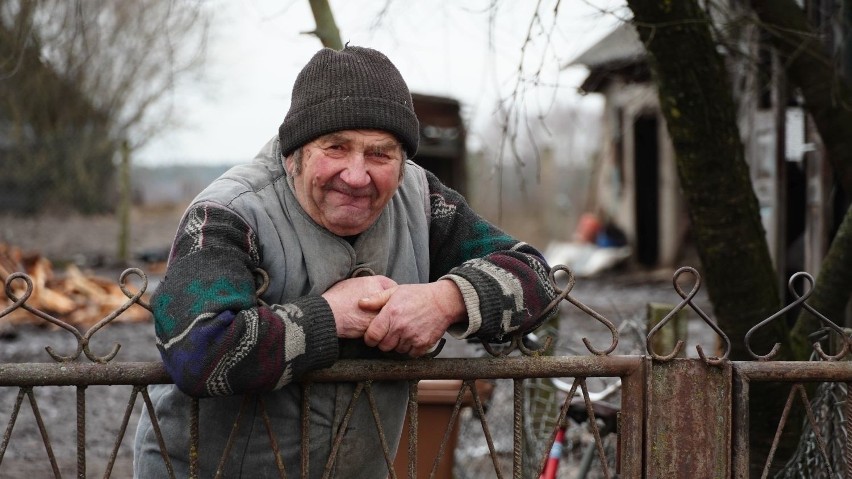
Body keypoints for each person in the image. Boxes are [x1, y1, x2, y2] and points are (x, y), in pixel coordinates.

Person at [134, 45, 558, 478]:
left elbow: (537, 276)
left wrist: (446, 299)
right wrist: (329, 317)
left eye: (380, 153)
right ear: (293, 153)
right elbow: (195, 349)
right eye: (336, 148)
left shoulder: (421, 200)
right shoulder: (229, 212)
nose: (357, 176)